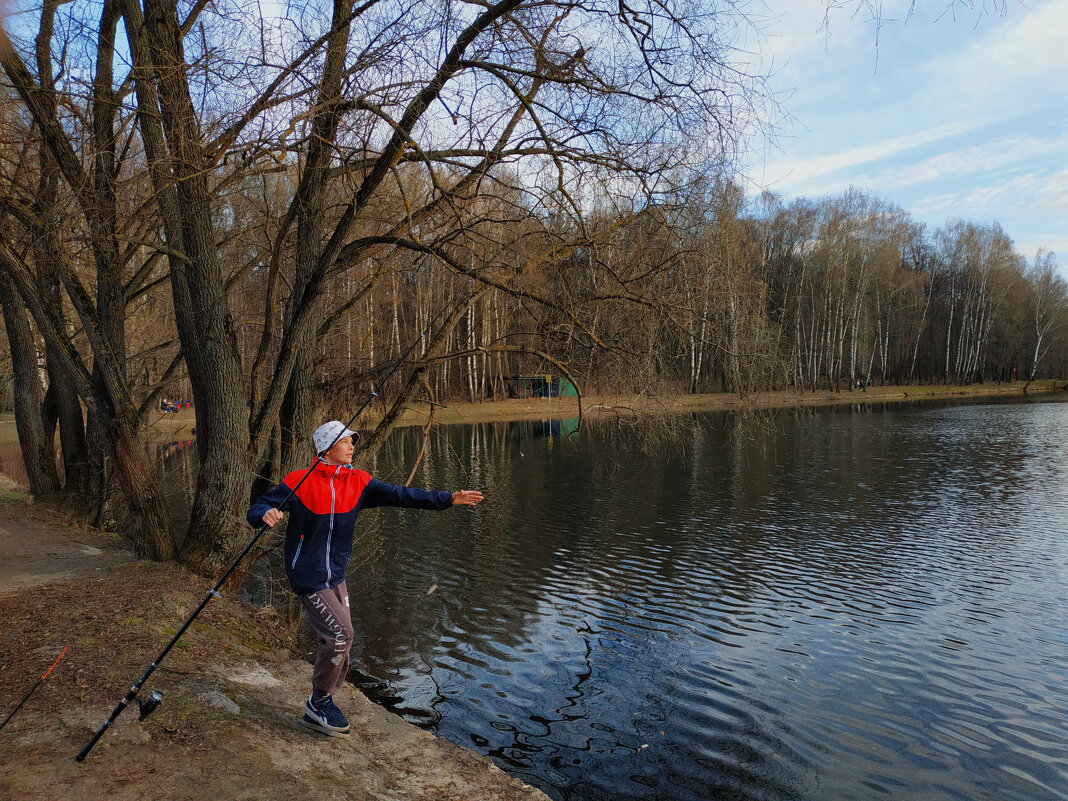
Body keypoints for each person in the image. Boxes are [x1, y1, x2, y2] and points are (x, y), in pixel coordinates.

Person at [246, 420, 484, 739]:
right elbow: (260, 505)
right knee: (339, 634)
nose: (353, 446)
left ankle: (325, 698)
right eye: (347, 441)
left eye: (352, 441)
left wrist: (446, 499)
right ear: (328, 448)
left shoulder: (358, 482)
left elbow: (402, 495)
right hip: (308, 573)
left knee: (346, 635)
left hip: (336, 573)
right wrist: (264, 514)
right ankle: (319, 703)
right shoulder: (298, 481)